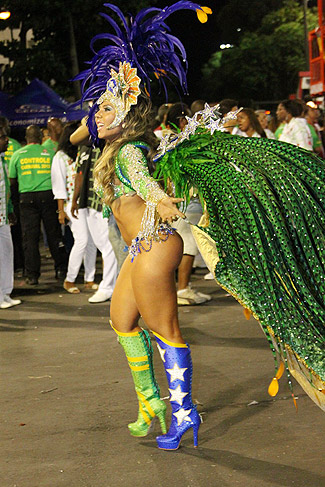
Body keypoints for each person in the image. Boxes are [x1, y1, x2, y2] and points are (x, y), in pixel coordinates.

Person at [78, 1, 324, 453]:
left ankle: (184, 413)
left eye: (106, 108)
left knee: (164, 329)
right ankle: (151, 400)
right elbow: (82, 132)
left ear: (127, 117)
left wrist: (159, 200)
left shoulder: (130, 150)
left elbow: (148, 184)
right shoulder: (109, 147)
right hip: (139, 248)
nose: (97, 113)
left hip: (155, 241)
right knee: (121, 320)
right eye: (98, 107)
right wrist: (106, 107)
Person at [164, 102, 211, 305]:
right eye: (189, 118)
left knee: (182, 246)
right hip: (187, 199)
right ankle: (182, 289)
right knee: (188, 247)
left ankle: (182, 288)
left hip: (175, 198)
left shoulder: (167, 140)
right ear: (182, 120)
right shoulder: (182, 142)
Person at [9, 125, 68, 285]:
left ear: (27, 138)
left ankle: (32, 275)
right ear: (41, 137)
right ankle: (61, 270)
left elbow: (12, 180)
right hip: (48, 196)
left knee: (30, 237)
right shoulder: (49, 153)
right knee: (54, 233)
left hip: (27, 198)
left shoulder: (17, 154)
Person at [70, 120, 118, 303]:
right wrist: (75, 200)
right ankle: (112, 285)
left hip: (103, 200)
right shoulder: (85, 144)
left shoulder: (107, 139)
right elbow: (74, 139)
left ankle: (109, 287)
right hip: (87, 199)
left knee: (108, 246)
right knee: (102, 245)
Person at [51, 122, 98, 294]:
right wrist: (61, 211)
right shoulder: (60, 157)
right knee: (82, 240)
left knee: (91, 241)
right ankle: (69, 280)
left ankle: (89, 278)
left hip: (83, 202)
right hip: (70, 204)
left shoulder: (80, 153)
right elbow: (58, 187)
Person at [0, 126, 21, 309]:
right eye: (2, 137)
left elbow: (6, 188)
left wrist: (10, 210)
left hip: (3, 217)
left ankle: (6, 293)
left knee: (7, 254)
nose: (6, 140)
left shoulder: (3, 160)